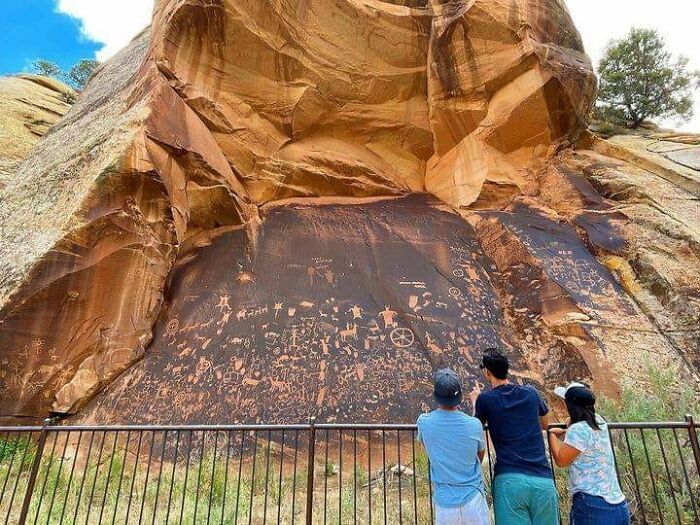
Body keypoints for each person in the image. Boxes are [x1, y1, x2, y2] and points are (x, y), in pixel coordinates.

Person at [474, 348, 559, 524]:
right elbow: (545, 423)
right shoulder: (531, 393)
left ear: (487, 372)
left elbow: (475, 429)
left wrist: (475, 403)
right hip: (542, 478)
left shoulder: (485, 400)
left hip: (509, 479)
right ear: (507, 370)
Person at [548, 382, 630, 524]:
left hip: (592, 504)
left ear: (570, 406)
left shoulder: (578, 430)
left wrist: (552, 436)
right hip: (618, 504)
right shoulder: (600, 422)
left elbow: (561, 461)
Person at [417, 368, 491, 525]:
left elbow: (428, 448)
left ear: (436, 395)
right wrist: (476, 406)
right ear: (460, 396)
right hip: (473, 500)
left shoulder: (423, 421)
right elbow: (479, 456)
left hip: (445, 503)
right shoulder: (474, 425)